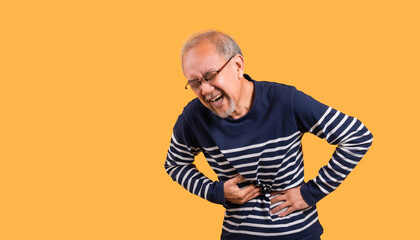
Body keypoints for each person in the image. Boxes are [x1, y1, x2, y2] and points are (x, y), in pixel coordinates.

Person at [164, 30, 373, 240]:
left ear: (237, 65)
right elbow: (175, 164)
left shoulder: (285, 101)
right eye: (195, 83)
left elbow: (357, 137)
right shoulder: (194, 117)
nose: (206, 90)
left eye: (210, 76)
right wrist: (215, 191)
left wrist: (310, 193)